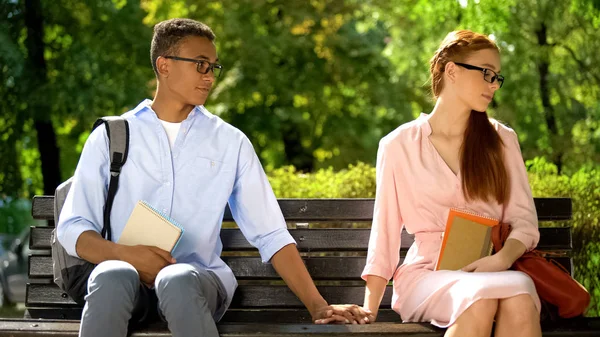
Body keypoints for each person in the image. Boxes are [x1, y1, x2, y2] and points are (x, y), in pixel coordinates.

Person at [57, 18, 364, 337]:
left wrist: (318, 306)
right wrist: (127, 255)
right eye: (200, 65)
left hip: (198, 283)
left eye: (213, 67)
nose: (209, 77)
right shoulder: (111, 136)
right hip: (124, 288)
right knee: (112, 274)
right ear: (164, 65)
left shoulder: (230, 142)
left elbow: (270, 233)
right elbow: (72, 226)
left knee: (175, 279)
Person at [359, 30, 542, 337]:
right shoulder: (398, 145)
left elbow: (524, 222)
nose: (494, 85)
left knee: (520, 293)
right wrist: (369, 309)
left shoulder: (502, 141)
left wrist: (500, 260)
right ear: (452, 70)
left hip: (491, 269)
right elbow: (385, 233)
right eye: (486, 73)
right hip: (426, 276)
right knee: (479, 299)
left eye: (497, 77)